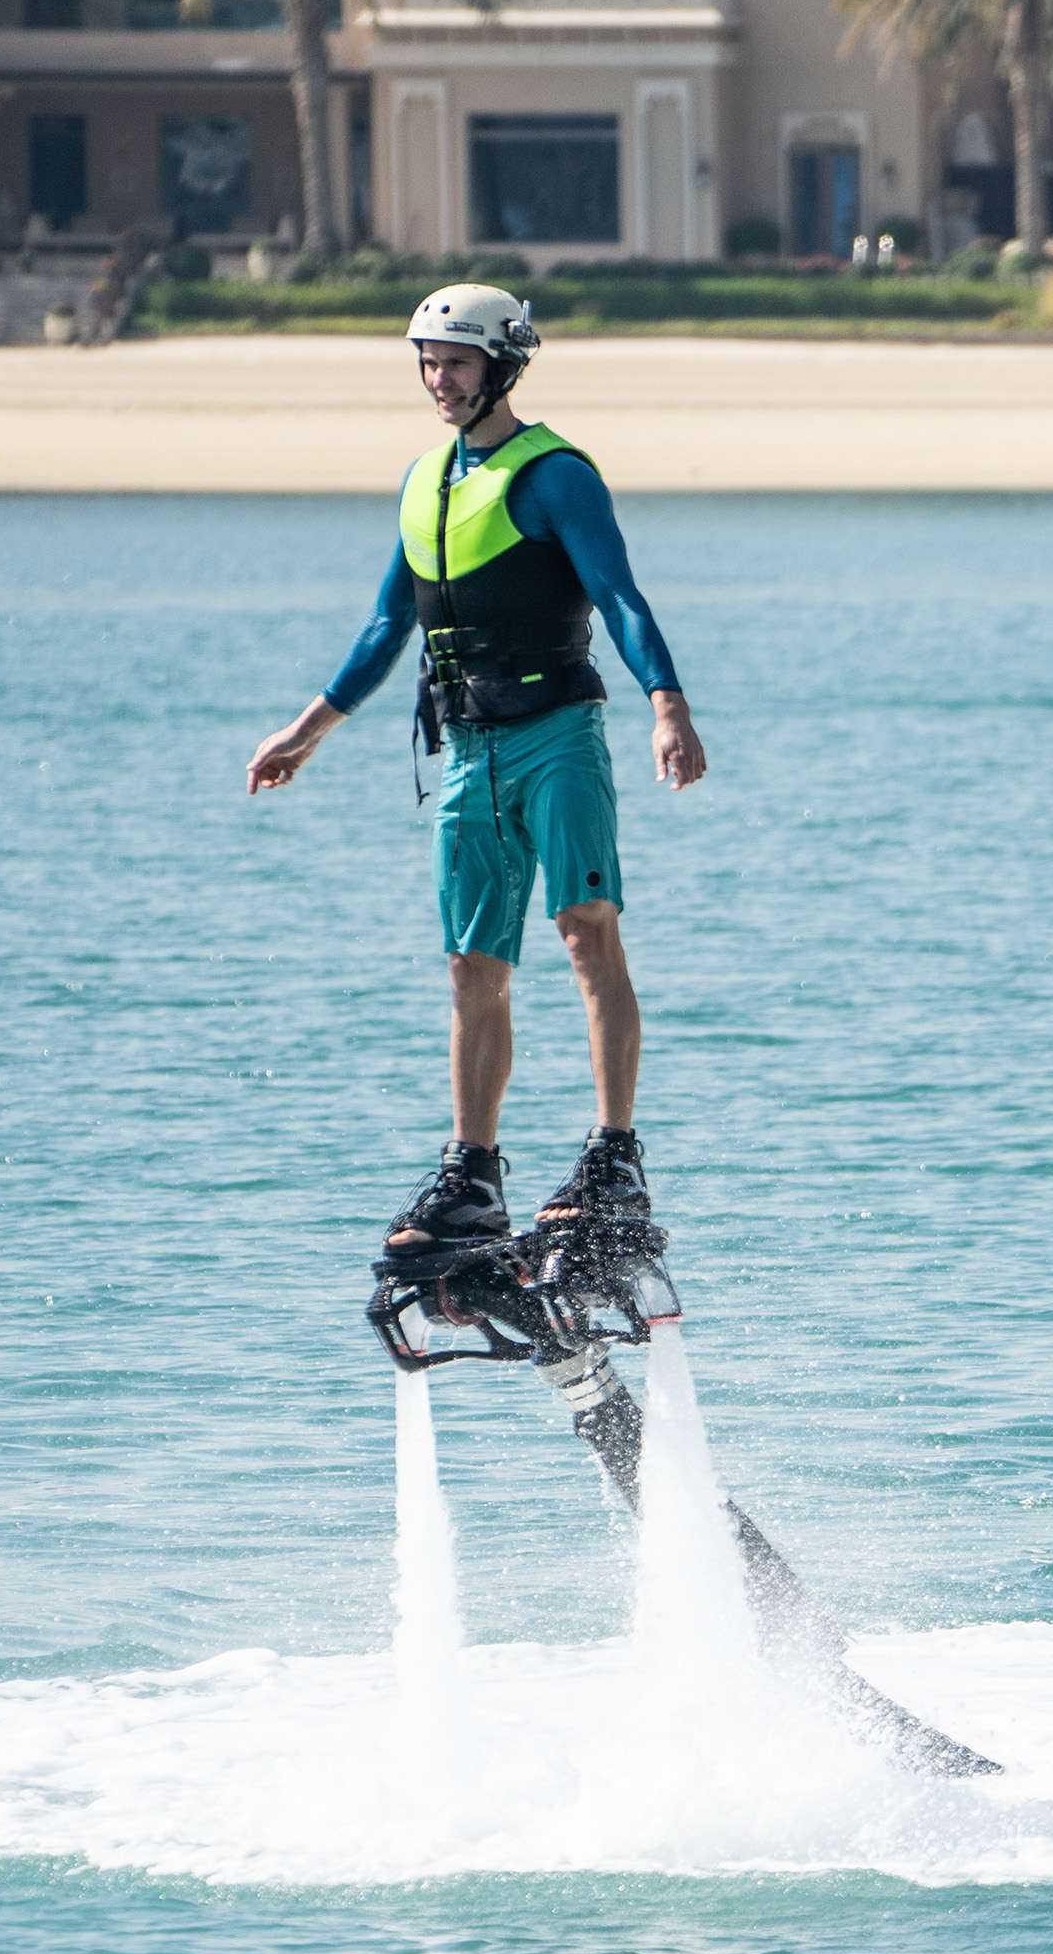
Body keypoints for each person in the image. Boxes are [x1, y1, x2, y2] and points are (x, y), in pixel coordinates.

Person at [243, 283, 707, 1254]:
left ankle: (613, 1156)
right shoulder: (424, 482)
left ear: (501, 365)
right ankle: (472, 1176)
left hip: (558, 735)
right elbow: (385, 624)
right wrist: (308, 730)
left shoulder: (555, 475)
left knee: (587, 933)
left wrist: (667, 701)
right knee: (470, 966)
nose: (437, 379)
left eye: (453, 362)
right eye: (426, 362)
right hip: (467, 751)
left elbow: (618, 596)